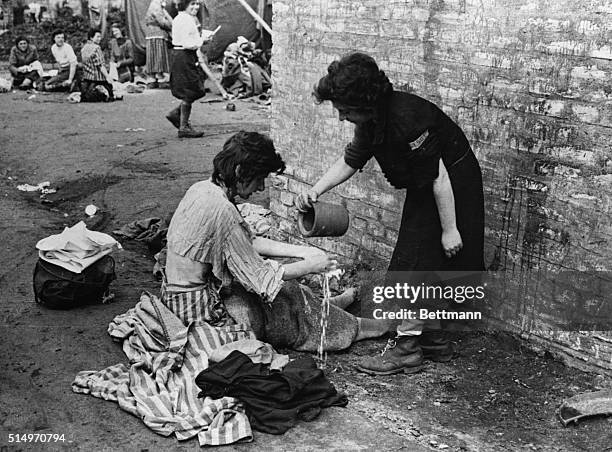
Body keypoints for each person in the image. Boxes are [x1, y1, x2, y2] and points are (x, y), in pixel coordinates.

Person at [296, 52, 485, 375]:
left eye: (344, 111)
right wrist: (316, 189)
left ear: (364, 104)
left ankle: (407, 349)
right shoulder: (373, 119)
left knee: (414, 264)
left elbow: (439, 177)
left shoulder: (405, 120)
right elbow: (351, 160)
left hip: (452, 186)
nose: (341, 118)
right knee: (429, 260)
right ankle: (434, 339)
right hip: (430, 185)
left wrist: (450, 228)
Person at [164, 131, 391, 352]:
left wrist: (303, 252)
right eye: (260, 178)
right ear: (239, 171)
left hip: (176, 298)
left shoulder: (203, 189)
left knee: (290, 292)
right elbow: (262, 281)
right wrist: (310, 266)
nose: (261, 187)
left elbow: (246, 242)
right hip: (200, 312)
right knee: (287, 305)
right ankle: (356, 327)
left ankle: (328, 308)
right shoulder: (222, 209)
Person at [166, 0, 215, 138]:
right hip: (184, 55)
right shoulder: (185, 20)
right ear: (184, 5)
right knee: (192, 89)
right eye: (192, 4)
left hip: (182, 55)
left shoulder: (182, 18)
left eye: (197, 4)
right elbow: (188, 43)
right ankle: (183, 127)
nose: (196, 7)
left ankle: (177, 115)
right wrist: (203, 40)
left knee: (194, 88)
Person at [80, 28, 114, 102]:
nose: (100, 39)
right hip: (98, 80)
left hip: (87, 80)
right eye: (97, 37)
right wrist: (108, 77)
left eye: (100, 37)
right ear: (91, 37)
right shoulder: (96, 48)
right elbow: (100, 65)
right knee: (110, 91)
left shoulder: (84, 48)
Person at [144, 0, 173, 85]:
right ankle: (158, 77)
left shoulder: (155, 4)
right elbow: (162, 22)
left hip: (152, 33)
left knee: (154, 55)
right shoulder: (156, 4)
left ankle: (155, 77)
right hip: (157, 34)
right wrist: (171, 25)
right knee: (158, 55)